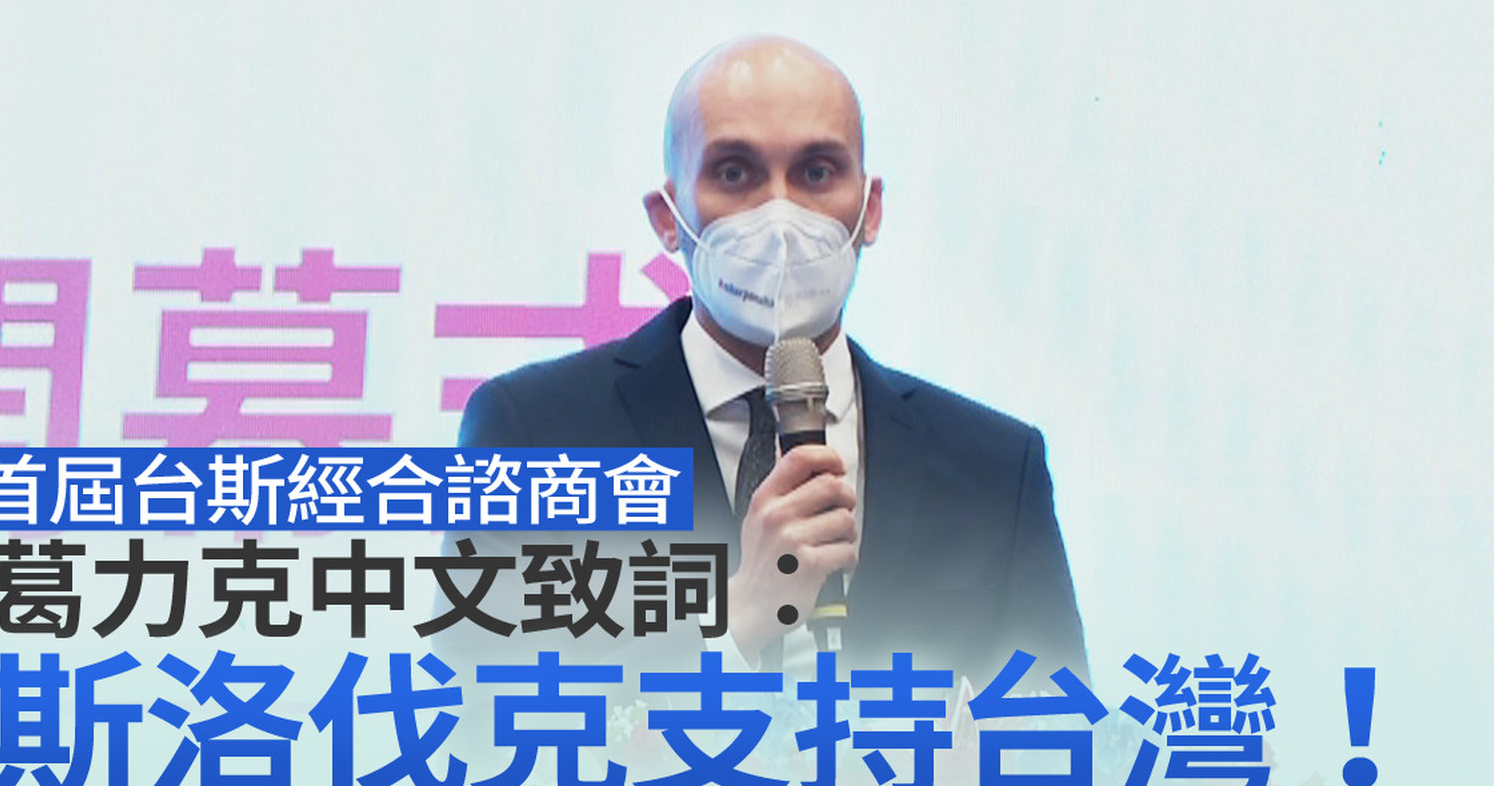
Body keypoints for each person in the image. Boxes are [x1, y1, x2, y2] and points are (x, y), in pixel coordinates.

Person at [454, 35, 1087, 688]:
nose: (780, 216)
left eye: (816, 172)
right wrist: (730, 628)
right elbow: (475, 725)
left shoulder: (995, 467)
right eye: (735, 173)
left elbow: (1061, 727)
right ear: (668, 217)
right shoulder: (533, 434)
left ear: (869, 210)